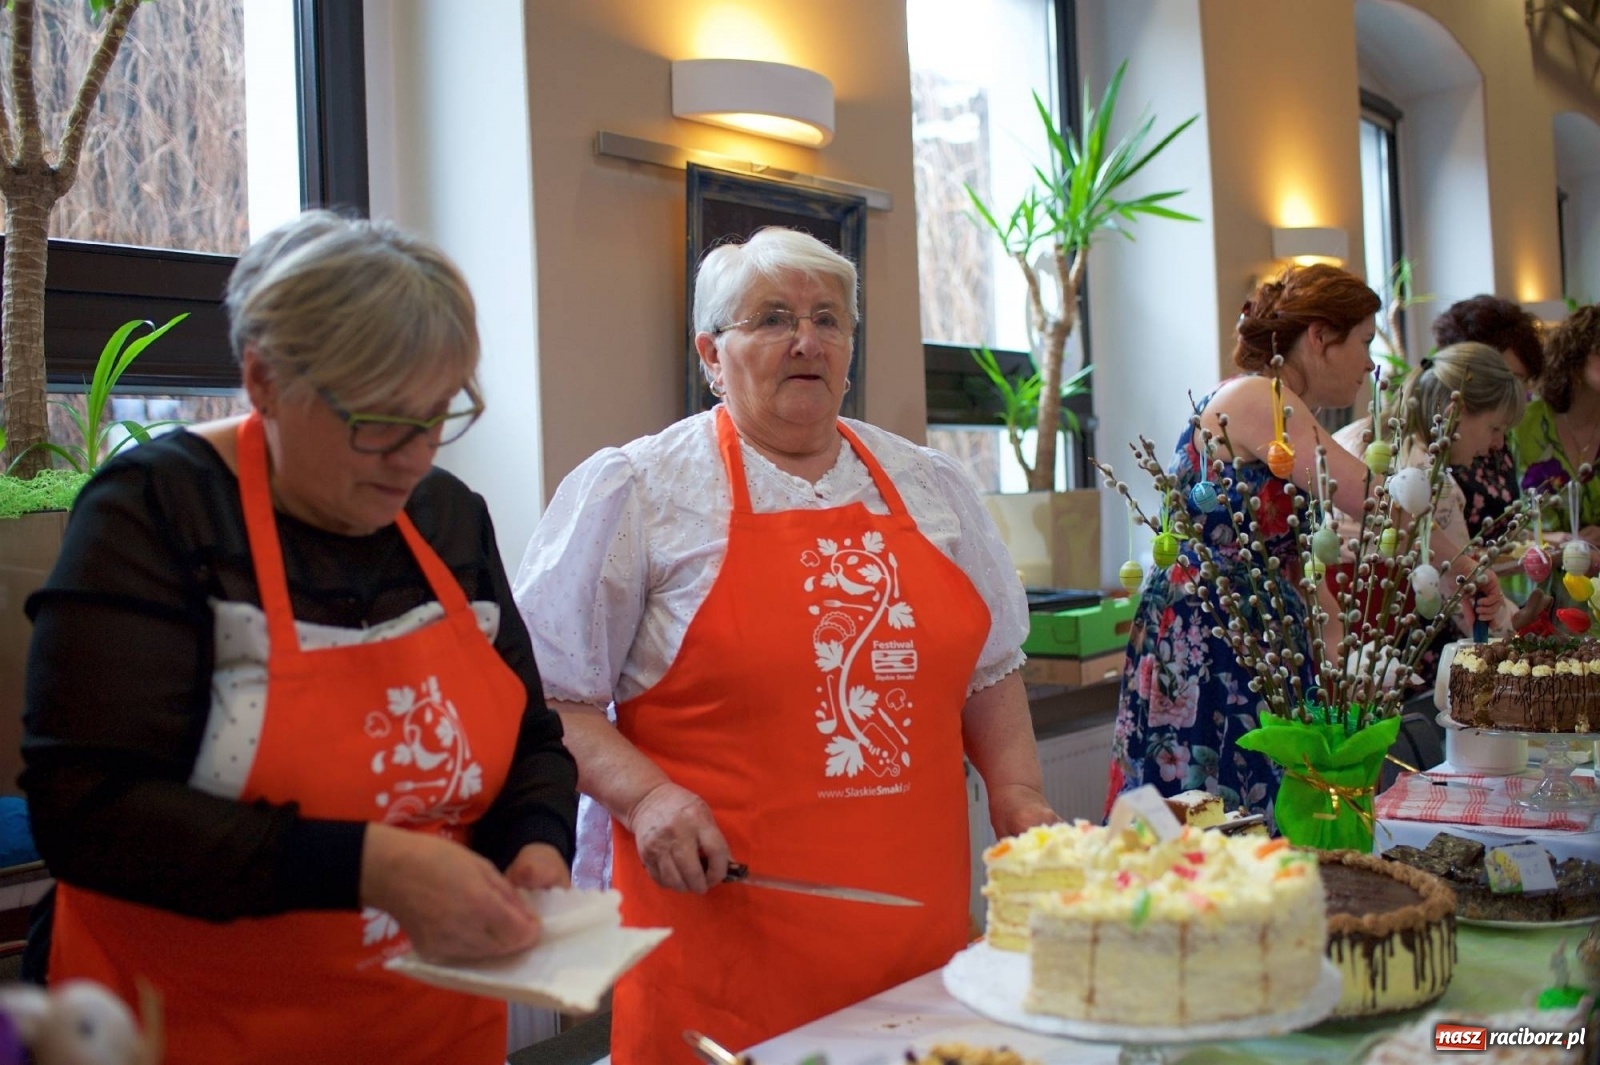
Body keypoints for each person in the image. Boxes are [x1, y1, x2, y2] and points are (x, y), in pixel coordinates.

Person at [22, 211, 579, 1065]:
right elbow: (90, 811)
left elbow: (531, 739)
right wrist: (364, 865)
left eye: (437, 414)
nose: (412, 454)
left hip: (426, 1029)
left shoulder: (447, 519)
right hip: (193, 1028)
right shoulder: (156, 511)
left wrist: (536, 843)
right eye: (379, 418)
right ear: (264, 379)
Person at [514, 226, 1056, 1064]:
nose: (807, 340)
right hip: (722, 954)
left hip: (917, 946)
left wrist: (1020, 799)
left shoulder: (930, 485)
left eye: (828, 319)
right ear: (710, 352)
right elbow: (550, 695)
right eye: (772, 318)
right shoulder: (642, 491)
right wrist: (649, 799)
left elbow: (990, 669)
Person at [1107, 265, 1502, 821]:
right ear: (1320, 337)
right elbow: (1370, 500)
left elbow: (1292, 558)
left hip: (1256, 635)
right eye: (1363, 341)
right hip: (1212, 639)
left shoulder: (1284, 410)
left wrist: (1341, 649)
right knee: (1209, 811)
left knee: (1258, 813)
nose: (1370, 362)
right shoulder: (1258, 398)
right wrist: (1463, 568)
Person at [1331, 342, 1524, 685]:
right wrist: (1528, 638)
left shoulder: (1356, 437)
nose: (1498, 444)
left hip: (1331, 647)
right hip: (1391, 664)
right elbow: (1463, 592)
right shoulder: (1432, 483)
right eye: (1495, 428)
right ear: (1457, 410)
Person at [1430, 296, 1544, 536]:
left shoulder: (1497, 438)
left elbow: (1497, 532)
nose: (1521, 391)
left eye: (1524, 380)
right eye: (1511, 377)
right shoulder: (1433, 445)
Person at [1513, 304, 1600, 546]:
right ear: (1576, 354)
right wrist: (1545, 539)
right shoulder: (1522, 421)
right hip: (1527, 573)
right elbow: (1488, 521)